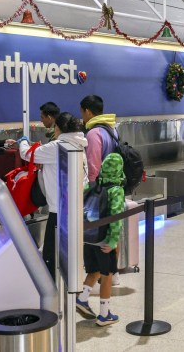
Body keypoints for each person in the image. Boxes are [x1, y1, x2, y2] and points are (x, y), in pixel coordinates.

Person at [17, 112, 88, 279]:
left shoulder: (58, 146)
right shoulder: (79, 144)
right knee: (69, 252)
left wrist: (23, 142)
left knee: (51, 253)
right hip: (76, 206)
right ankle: (68, 289)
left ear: (59, 128)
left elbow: (27, 154)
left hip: (59, 210)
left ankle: (54, 292)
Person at [76, 153, 125, 326]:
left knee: (93, 271)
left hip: (88, 237)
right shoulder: (116, 190)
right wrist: (112, 242)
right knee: (107, 275)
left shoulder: (92, 186)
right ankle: (105, 314)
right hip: (104, 241)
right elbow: (115, 218)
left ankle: (82, 299)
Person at [80, 94, 122, 285]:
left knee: (99, 232)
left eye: (82, 113)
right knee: (114, 227)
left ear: (88, 111)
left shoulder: (93, 133)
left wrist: (91, 189)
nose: (82, 117)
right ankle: (113, 273)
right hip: (116, 185)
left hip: (101, 189)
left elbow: (93, 164)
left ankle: (103, 273)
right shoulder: (112, 129)